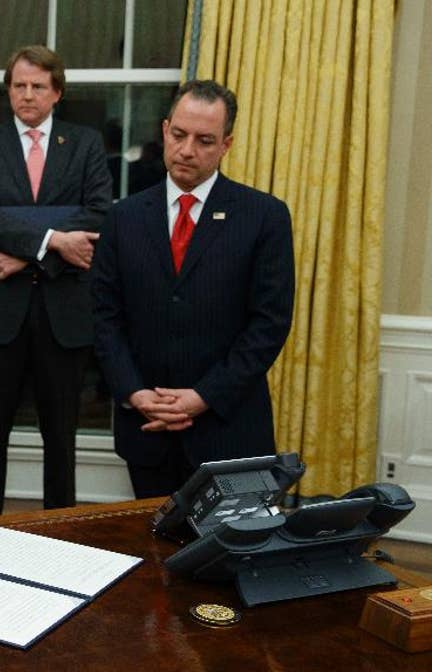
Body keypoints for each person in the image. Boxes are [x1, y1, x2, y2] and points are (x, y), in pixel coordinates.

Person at [91, 80, 295, 498]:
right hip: (146, 429)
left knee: (229, 559)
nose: (187, 150)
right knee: (153, 556)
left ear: (226, 144)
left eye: (204, 140)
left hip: (228, 429)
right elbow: (104, 317)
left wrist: (203, 396)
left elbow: (269, 324)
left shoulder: (264, 217)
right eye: (179, 135)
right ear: (165, 130)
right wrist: (134, 392)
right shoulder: (123, 217)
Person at [0, 46, 112, 509]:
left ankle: (59, 534)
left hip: (63, 307)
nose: (27, 95)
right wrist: (55, 237)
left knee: (60, 436)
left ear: (57, 92)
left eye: (38, 86)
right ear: (9, 91)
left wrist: (28, 254)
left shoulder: (84, 143)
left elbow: (98, 214)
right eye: (19, 86)